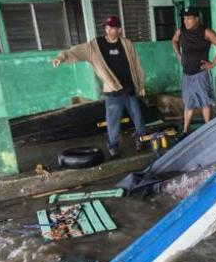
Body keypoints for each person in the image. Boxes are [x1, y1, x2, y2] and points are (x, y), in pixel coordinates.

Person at [53, 16, 146, 157]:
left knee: (138, 117)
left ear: (119, 29)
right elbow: (76, 51)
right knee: (113, 121)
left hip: (130, 88)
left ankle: (140, 138)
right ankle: (113, 145)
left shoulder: (127, 44)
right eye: (106, 28)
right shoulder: (95, 46)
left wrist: (141, 84)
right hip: (113, 91)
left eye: (111, 28)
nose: (108, 30)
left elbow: (136, 64)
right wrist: (61, 57)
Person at [171, 8, 216, 133]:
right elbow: (174, 40)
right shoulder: (182, 31)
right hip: (186, 74)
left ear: (197, 19)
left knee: (205, 102)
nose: (185, 21)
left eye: (189, 18)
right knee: (188, 102)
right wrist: (178, 54)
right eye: (184, 18)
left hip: (200, 74)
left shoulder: (206, 32)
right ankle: (185, 130)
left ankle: (208, 129)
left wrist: (212, 64)